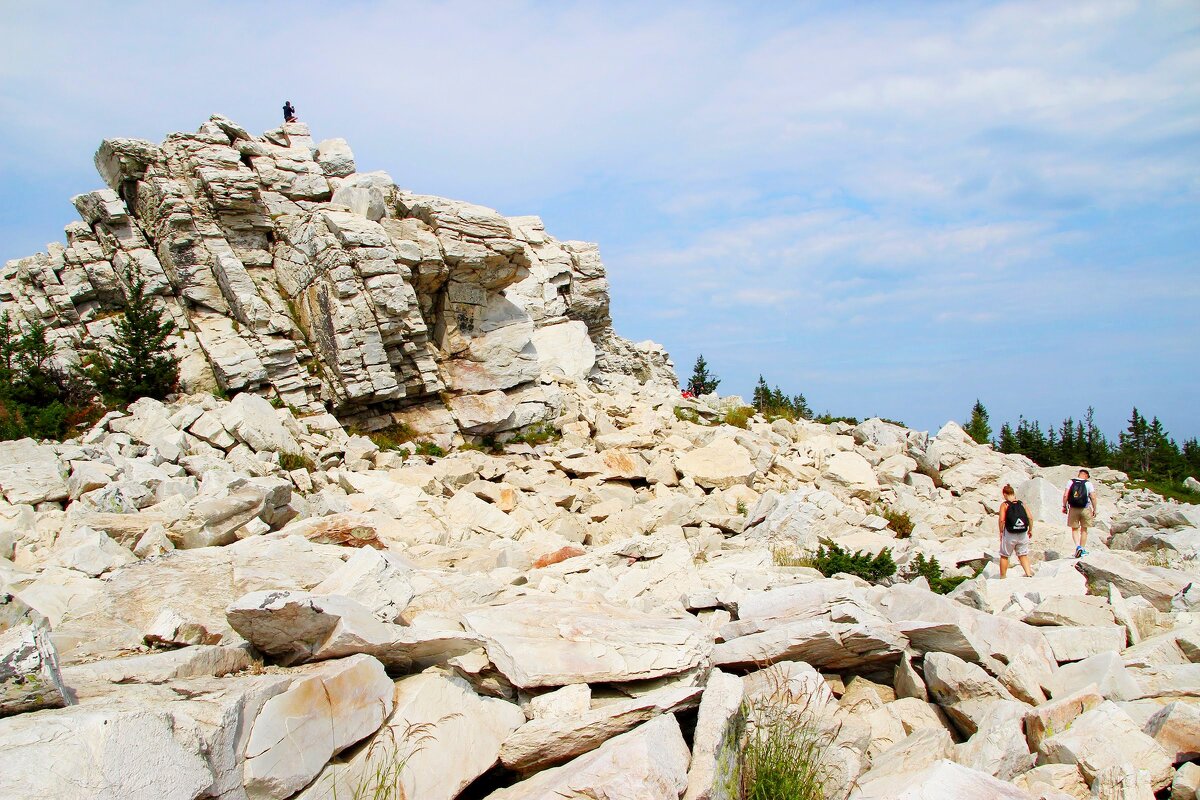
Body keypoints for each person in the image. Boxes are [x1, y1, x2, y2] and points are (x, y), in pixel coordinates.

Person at [998, 484, 1034, 578]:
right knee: (1023, 555)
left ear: (1005, 494)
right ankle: (1028, 573)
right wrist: (1030, 530)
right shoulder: (1021, 503)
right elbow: (1030, 517)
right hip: (1022, 533)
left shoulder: (1004, 505)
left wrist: (1001, 531)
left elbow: (1002, 520)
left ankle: (1003, 576)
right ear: (1014, 493)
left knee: (1004, 555)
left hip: (1010, 534)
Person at [1062, 468, 1097, 558]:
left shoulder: (1071, 482)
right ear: (1086, 475)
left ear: (1079, 474)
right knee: (1084, 529)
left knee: (1074, 529)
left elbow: (1066, 495)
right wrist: (1095, 509)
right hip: (1085, 508)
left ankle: (1077, 547)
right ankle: (1082, 549)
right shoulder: (1088, 483)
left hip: (1073, 508)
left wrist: (1064, 506)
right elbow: (1093, 497)